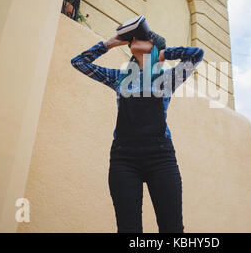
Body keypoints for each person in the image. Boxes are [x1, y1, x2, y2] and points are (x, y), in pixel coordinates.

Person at [70, 30, 204, 233]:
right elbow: (79, 62)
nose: (135, 39)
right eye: (133, 38)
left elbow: (196, 54)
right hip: (124, 158)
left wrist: (163, 55)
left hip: (161, 157)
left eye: (143, 36)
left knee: (172, 229)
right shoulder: (119, 78)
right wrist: (110, 43)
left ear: (155, 45)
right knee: (128, 229)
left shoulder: (168, 78)